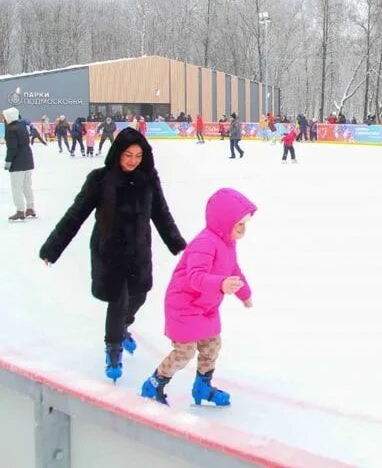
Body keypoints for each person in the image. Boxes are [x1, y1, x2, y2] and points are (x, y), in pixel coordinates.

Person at [39, 128, 187, 381]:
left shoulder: (148, 179)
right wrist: (53, 248)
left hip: (139, 252)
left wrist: (177, 244)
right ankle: (113, 348)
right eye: (128, 154)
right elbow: (76, 214)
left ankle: (123, 328)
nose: (132, 161)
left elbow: (161, 213)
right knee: (118, 301)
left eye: (138, 156)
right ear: (117, 153)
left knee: (139, 296)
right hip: (109, 253)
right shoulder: (100, 179)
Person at [140, 187, 256, 406]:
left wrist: (245, 294)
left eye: (244, 224)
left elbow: (234, 270)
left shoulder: (227, 244)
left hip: (206, 306)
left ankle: (203, 386)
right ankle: (154, 384)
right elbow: (196, 277)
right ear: (223, 222)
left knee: (212, 346)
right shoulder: (204, 243)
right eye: (238, 224)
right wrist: (221, 284)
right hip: (184, 305)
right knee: (185, 352)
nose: (242, 230)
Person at [2, 107, 36, 221]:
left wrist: (8, 162)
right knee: (27, 186)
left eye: (4, 117)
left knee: (16, 187)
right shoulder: (22, 126)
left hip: (17, 163)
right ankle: (30, 208)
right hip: (28, 160)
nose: (3, 119)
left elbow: (12, 148)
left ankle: (20, 210)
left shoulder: (11, 129)